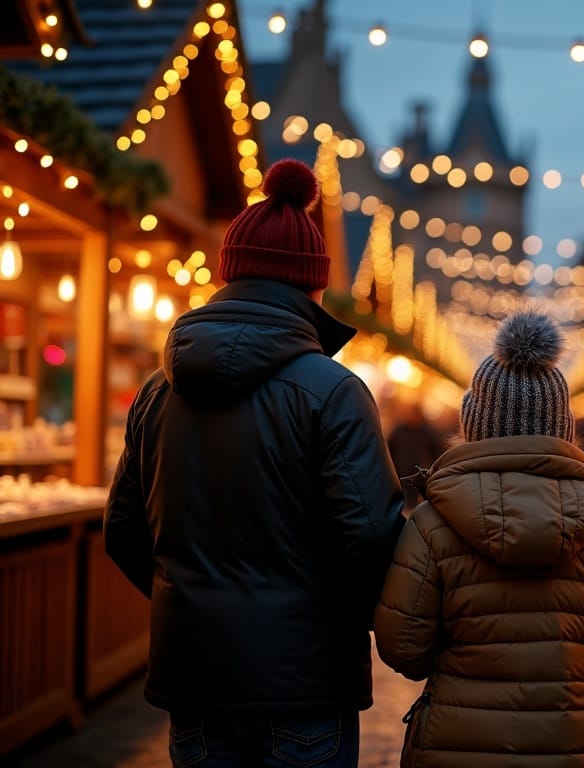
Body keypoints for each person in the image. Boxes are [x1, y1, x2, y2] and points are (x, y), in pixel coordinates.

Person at [104, 159, 406, 768]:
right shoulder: (333, 392)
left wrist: (190, 601)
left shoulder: (157, 392)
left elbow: (124, 531)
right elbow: (374, 538)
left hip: (194, 680)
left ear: (228, 274)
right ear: (313, 286)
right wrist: (338, 624)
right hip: (306, 683)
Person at [374, 310, 584, 768]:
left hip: (456, 744)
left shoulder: (431, 523)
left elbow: (404, 648)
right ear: (563, 426)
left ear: (474, 423)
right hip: (576, 744)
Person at [387, 402, 446, 510]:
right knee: (404, 502)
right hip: (401, 473)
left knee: (416, 503)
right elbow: (389, 449)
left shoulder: (428, 432)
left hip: (419, 474)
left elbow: (436, 452)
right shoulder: (398, 431)